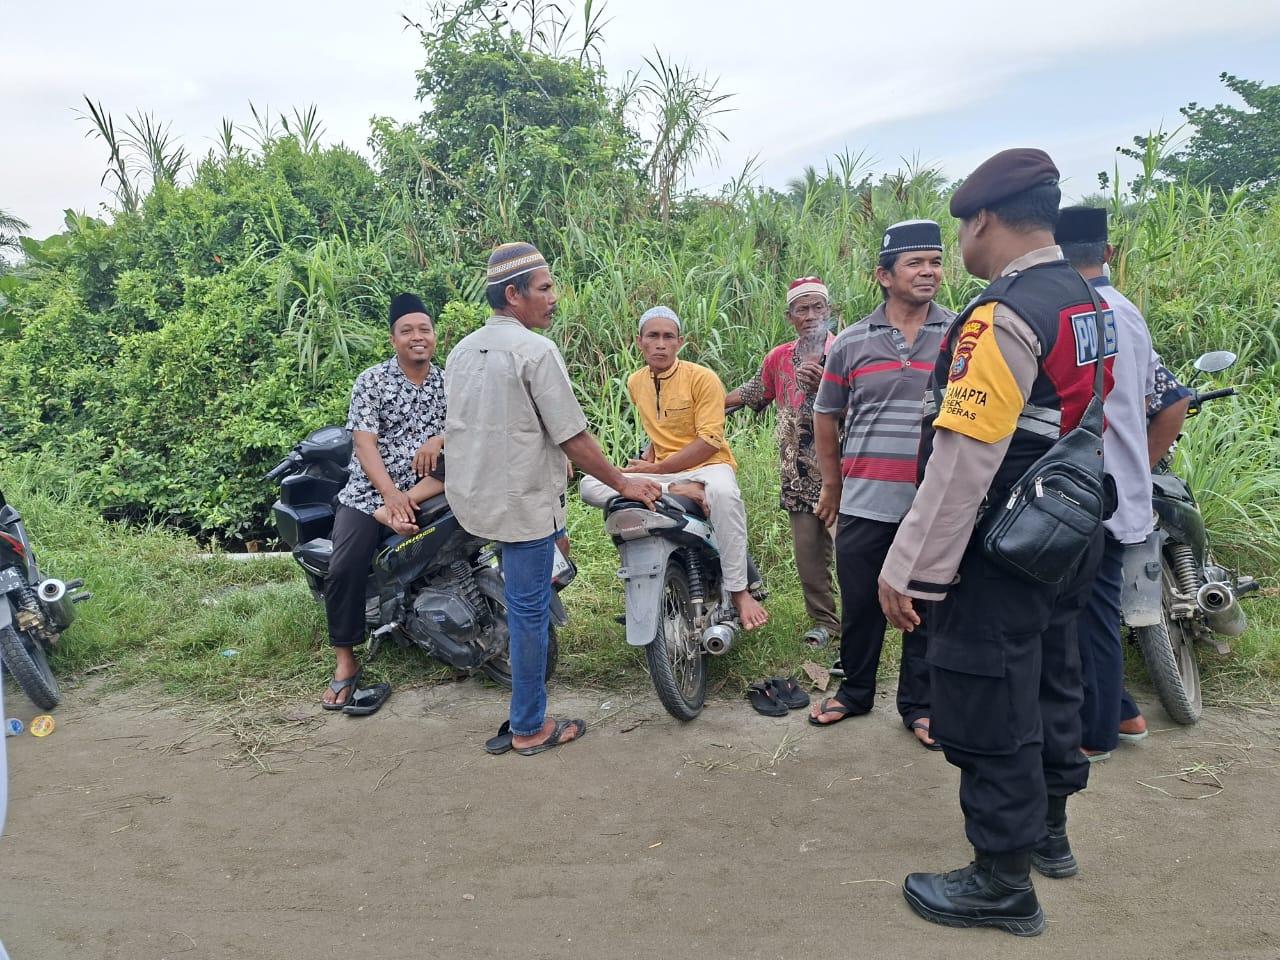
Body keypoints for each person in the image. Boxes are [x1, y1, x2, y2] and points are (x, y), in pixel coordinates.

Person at [877, 149, 1112, 937]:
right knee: (1054, 680)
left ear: (982, 221)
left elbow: (964, 459)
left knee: (992, 696)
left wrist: (912, 571)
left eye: (960, 232)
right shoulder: (1083, 296)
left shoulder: (1003, 312)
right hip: (1067, 534)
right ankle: (1050, 834)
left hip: (1002, 549)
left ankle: (1000, 881)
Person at [444, 243, 661, 756]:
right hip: (522, 505)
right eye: (545, 288)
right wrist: (624, 482)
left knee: (522, 604)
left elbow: (492, 425)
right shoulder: (534, 352)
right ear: (514, 295)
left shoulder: (461, 350)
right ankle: (528, 727)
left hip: (477, 500)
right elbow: (574, 438)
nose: (554, 298)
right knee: (528, 612)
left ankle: (523, 712)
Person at [808, 221, 954, 749]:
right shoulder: (850, 343)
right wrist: (832, 486)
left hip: (932, 504)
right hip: (866, 499)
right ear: (884, 276)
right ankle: (856, 692)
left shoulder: (960, 334)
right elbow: (827, 416)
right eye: (915, 263)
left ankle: (920, 704)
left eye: (935, 262)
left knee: (927, 605)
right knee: (862, 603)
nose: (929, 272)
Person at [1056, 206, 1169, 759]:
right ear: (1107, 252)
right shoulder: (1128, 312)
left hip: (1084, 491)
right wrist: (1141, 466)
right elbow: (1170, 400)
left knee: (1089, 613)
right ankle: (1122, 712)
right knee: (1096, 608)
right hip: (1120, 484)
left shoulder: (1070, 312)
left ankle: (1094, 734)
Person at [580, 306, 768, 630]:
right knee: (589, 484)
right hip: (667, 475)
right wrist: (652, 468)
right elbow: (659, 431)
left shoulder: (703, 378)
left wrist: (654, 472)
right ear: (640, 341)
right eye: (653, 336)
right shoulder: (635, 382)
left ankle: (739, 591)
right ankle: (678, 495)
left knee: (724, 494)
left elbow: (710, 440)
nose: (661, 344)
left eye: (668, 337)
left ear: (680, 342)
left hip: (709, 466)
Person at [321, 293, 447, 709]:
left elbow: (469, 427)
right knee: (342, 568)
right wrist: (389, 496)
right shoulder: (371, 381)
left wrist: (439, 438)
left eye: (424, 329)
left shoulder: (447, 382)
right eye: (407, 331)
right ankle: (346, 662)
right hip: (369, 490)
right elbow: (364, 443)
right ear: (393, 339)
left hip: (430, 484)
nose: (417, 337)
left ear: (434, 336)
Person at [726, 276, 839, 647]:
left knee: (852, 554)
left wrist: (826, 385)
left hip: (843, 474)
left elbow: (866, 404)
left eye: (817, 307)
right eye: (801, 309)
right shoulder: (778, 358)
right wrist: (704, 402)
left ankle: (860, 623)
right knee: (809, 558)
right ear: (789, 316)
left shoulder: (846, 351)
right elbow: (755, 391)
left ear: (829, 310)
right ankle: (824, 624)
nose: (810, 315)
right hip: (797, 476)